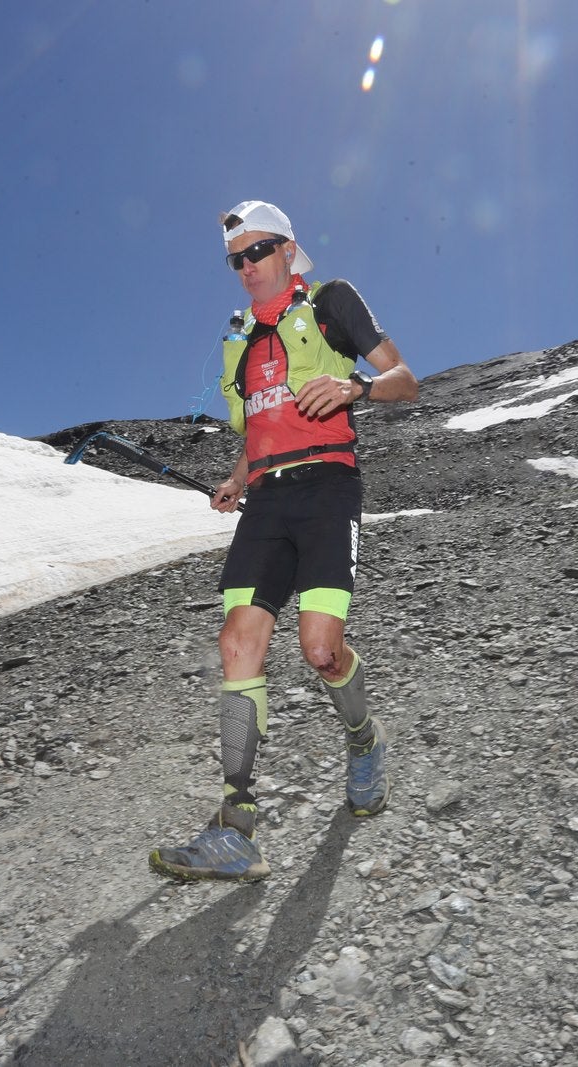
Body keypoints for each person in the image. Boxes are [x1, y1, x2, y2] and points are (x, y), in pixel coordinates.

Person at [149, 200, 419, 882]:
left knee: (320, 647)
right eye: (235, 259)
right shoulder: (238, 338)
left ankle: (364, 739)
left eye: (257, 251)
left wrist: (356, 385)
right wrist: (236, 481)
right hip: (265, 502)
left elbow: (406, 380)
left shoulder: (332, 301)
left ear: (288, 248)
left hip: (328, 491)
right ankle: (236, 826)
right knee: (238, 642)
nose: (246, 267)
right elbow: (259, 432)